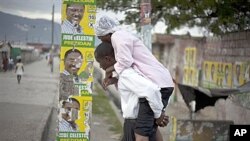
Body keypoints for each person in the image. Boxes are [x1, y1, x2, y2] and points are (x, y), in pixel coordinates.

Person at [94, 16, 174, 141]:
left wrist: (109, 70)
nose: (101, 40)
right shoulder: (124, 37)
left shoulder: (117, 37)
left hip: (158, 84)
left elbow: (125, 61)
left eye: (100, 37)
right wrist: (115, 79)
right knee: (152, 129)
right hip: (162, 82)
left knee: (141, 136)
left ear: (105, 33)